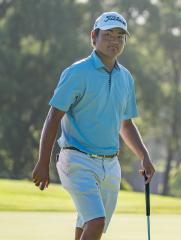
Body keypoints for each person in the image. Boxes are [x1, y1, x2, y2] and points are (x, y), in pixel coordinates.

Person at [32, 11, 155, 240]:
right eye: (108, 34)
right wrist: (42, 162)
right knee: (96, 222)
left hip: (110, 165)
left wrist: (144, 156)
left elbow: (125, 124)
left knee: (86, 222)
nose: (114, 41)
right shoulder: (77, 73)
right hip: (77, 159)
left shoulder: (126, 78)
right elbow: (53, 117)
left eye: (120, 36)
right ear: (93, 37)